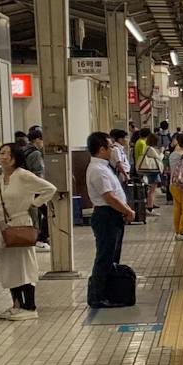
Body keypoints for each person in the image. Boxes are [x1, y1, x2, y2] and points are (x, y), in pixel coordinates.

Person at [0, 141, 57, 320]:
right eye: (1, 153)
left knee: (24, 264)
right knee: (9, 266)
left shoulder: (23, 175)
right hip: (3, 227)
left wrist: (33, 203)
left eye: (6, 154)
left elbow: (50, 189)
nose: (2, 156)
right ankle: (16, 304)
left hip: (21, 223)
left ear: (15, 158)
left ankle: (30, 306)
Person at [84, 131, 133, 307]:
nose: (113, 149)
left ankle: (109, 292)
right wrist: (128, 210)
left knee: (112, 256)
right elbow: (109, 197)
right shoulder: (98, 170)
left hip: (112, 215)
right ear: (101, 149)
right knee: (105, 257)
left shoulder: (104, 166)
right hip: (106, 216)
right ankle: (97, 296)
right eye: (111, 146)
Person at [23, 125, 51, 249]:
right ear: (37, 140)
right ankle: (41, 238)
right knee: (49, 214)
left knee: (35, 214)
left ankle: (38, 237)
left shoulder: (24, 150)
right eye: (42, 140)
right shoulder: (35, 154)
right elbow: (38, 173)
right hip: (36, 189)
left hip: (25, 188)